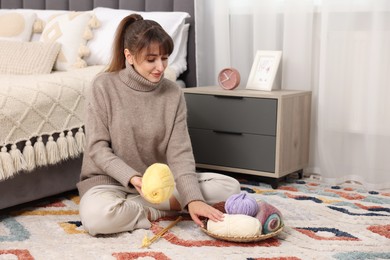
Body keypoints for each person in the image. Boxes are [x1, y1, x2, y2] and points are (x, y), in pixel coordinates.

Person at [77, 14, 241, 236]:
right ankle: (157, 211)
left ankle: (148, 206)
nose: (160, 67)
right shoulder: (103, 86)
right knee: (97, 219)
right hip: (110, 183)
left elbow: (179, 153)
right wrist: (134, 179)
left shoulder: (173, 93)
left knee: (230, 188)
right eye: (151, 59)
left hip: (160, 185)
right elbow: (97, 148)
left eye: (164, 58)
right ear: (130, 56)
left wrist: (193, 198)